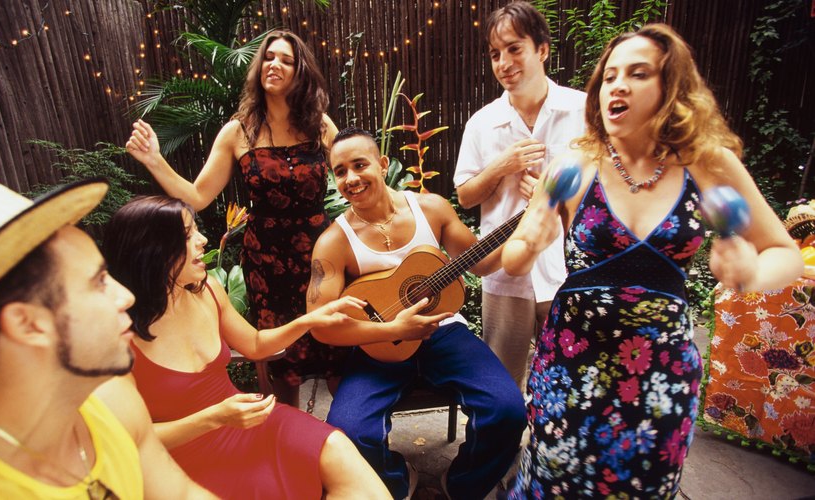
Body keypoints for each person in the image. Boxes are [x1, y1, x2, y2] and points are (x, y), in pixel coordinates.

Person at [501, 24, 803, 498]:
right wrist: (532, 238)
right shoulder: (573, 166)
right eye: (609, 77)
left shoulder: (708, 163)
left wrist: (749, 273)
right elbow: (515, 262)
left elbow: (785, 253)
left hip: (660, 373)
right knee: (553, 486)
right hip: (573, 367)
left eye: (638, 74)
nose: (617, 86)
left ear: (671, 89)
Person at [0, 176, 215, 498]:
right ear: (28, 324)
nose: (125, 296)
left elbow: (180, 493)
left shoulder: (113, 401)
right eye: (98, 282)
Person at [101, 195, 390, 499]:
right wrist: (215, 418)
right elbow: (126, 441)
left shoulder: (207, 290)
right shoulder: (117, 337)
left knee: (338, 448)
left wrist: (310, 320)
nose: (202, 240)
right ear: (150, 252)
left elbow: (254, 344)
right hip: (181, 456)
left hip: (250, 422)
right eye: (187, 235)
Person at [306, 127, 527, 499]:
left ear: (383, 163)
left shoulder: (432, 209)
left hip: (444, 331)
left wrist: (529, 225)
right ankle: (398, 479)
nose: (351, 179)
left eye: (359, 165)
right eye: (340, 171)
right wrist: (393, 327)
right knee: (348, 430)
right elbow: (321, 328)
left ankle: (460, 484)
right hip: (379, 343)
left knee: (507, 411)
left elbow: (483, 262)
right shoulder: (334, 242)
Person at [126, 30, 343, 407]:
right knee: (281, 361)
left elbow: (354, 174)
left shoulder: (320, 125)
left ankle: (352, 432)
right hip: (268, 262)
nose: (274, 64)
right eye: (269, 57)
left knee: (337, 347)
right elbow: (197, 196)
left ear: (300, 72)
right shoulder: (237, 131)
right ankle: (287, 437)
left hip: (321, 256)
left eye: (286, 60)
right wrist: (154, 161)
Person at [453, 1, 586, 391]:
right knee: (502, 383)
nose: (504, 62)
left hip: (566, 270)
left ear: (542, 49)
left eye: (515, 49)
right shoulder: (482, 123)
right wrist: (502, 165)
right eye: (496, 54)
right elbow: (464, 196)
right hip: (503, 273)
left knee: (567, 375)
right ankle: (504, 450)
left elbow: (606, 188)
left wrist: (557, 193)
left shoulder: (581, 110)